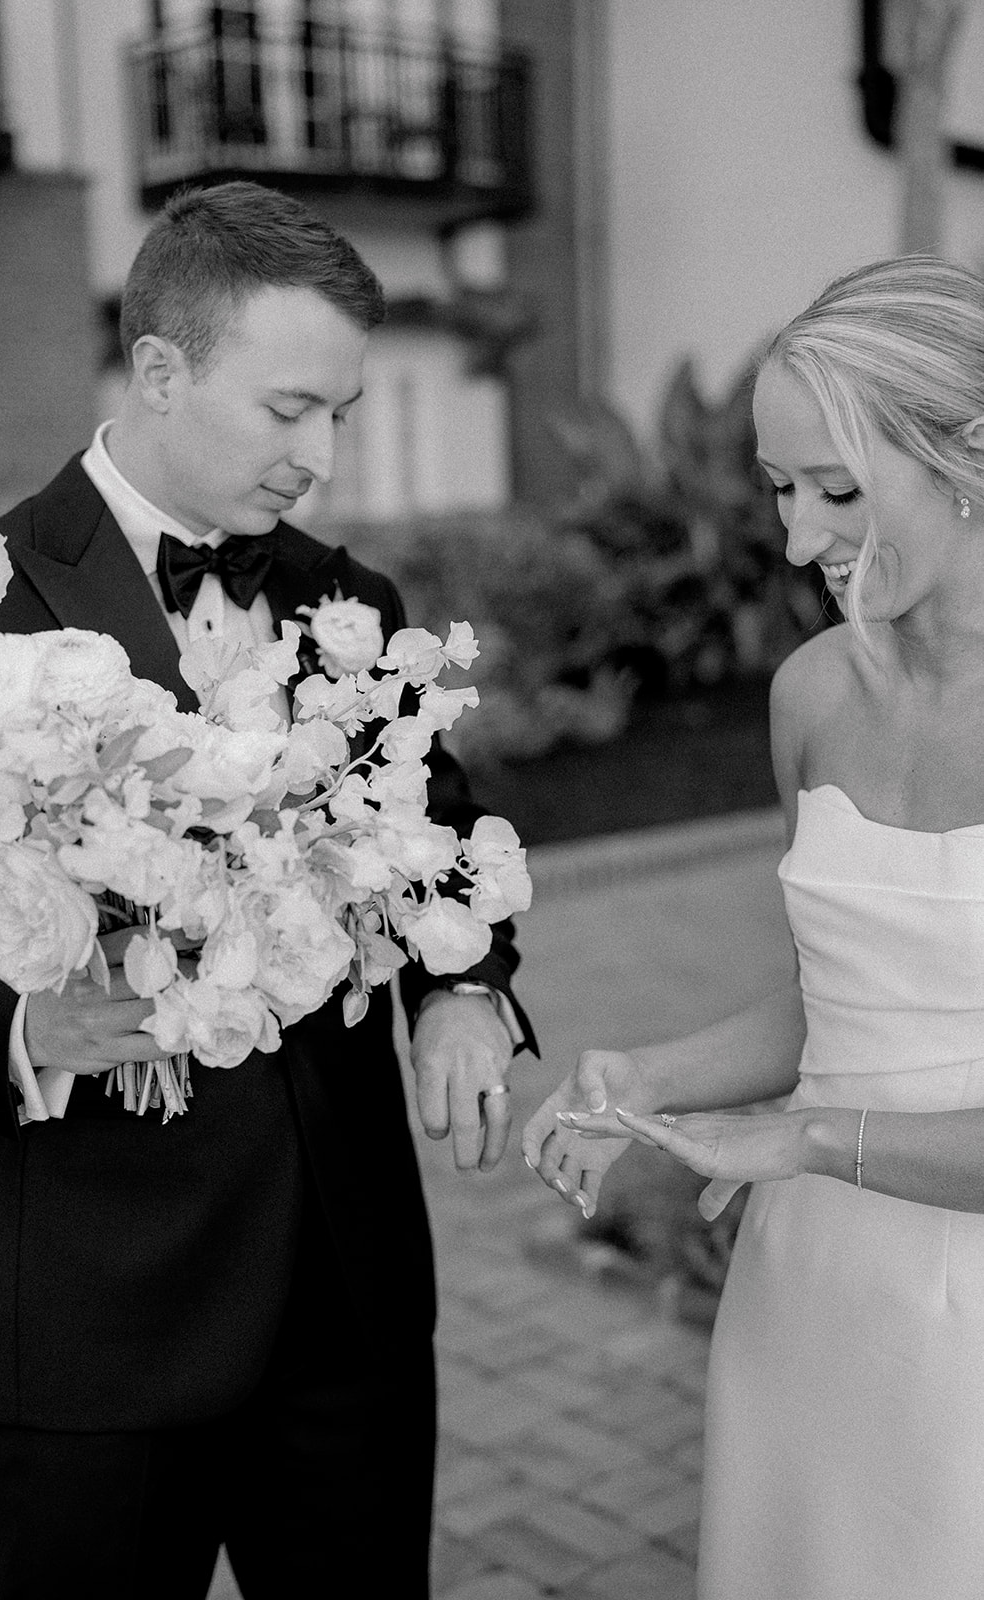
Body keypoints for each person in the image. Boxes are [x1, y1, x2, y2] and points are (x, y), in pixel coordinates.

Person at [0, 181, 535, 1599]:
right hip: (98, 1309)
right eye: (289, 409)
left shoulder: (351, 606)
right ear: (158, 370)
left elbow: (443, 832)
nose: (322, 457)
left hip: (345, 1304)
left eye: (342, 414)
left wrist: (462, 988)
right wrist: (21, 1031)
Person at [523, 254, 984, 1600]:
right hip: (813, 1291)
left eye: (837, 491)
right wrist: (648, 1079)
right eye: (780, 489)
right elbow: (827, 996)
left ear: (968, 457)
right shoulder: (812, 697)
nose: (796, 540)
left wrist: (803, 1139)